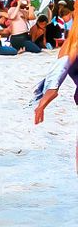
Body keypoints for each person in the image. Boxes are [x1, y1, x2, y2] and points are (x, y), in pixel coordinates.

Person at [34, 24, 78, 172]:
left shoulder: (70, 45)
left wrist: (42, 104)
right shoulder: (72, 44)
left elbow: (55, 81)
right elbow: (55, 81)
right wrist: (42, 103)